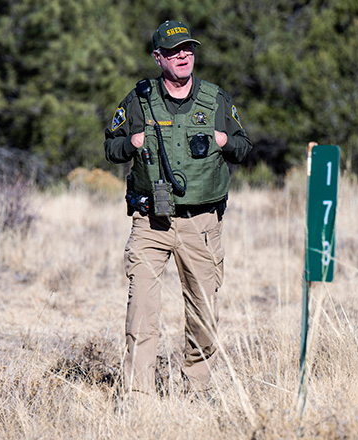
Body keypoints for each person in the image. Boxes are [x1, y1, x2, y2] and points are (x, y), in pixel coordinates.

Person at [104, 20, 252, 397]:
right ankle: (138, 397)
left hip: (201, 223)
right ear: (158, 58)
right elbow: (111, 147)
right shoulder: (138, 100)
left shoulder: (215, 99)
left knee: (203, 314)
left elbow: (244, 147)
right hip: (150, 222)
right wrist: (132, 144)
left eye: (188, 48)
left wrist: (224, 140)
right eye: (173, 51)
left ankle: (197, 392)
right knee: (141, 311)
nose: (183, 55)